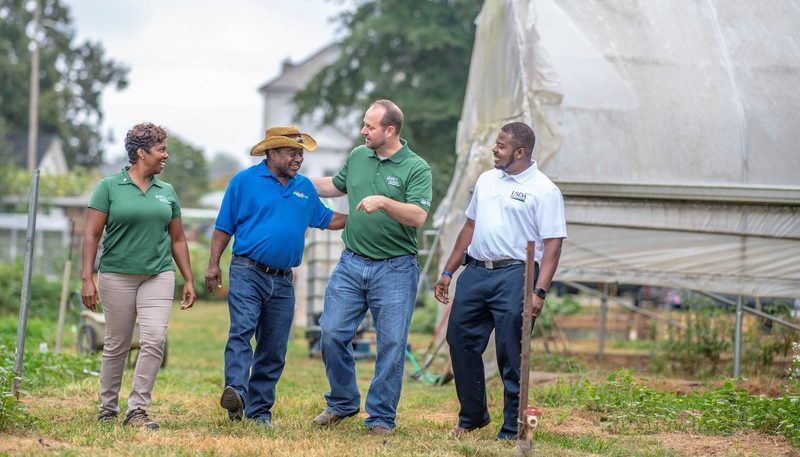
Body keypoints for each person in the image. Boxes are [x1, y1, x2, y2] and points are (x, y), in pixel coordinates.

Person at [205, 126, 347, 426]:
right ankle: (236, 392)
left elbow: (327, 219)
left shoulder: (304, 188)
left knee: (274, 346)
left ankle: (259, 411)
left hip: (283, 279)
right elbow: (223, 226)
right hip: (247, 270)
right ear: (272, 153)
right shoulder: (244, 181)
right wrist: (213, 264)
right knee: (242, 331)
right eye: (292, 152)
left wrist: (363, 216)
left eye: (301, 153)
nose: (298, 158)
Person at [434, 122, 566, 440]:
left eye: (501, 145)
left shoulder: (544, 190)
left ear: (519, 152)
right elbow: (469, 227)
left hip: (517, 275)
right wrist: (449, 271)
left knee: (511, 352)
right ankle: (473, 417)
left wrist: (539, 292)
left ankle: (512, 429)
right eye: (496, 143)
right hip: (476, 272)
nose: (495, 149)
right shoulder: (486, 180)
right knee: (460, 341)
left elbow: (553, 244)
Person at [310, 99, 432, 435]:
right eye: (364, 124)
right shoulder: (358, 156)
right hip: (351, 262)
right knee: (332, 332)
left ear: (389, 130)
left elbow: (418, 217)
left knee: (391, 343)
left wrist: (384, 202)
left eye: (370, 126)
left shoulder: (416, 168)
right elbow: (335, 186)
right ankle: (343, 401)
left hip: (395, 268)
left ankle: (380, 417)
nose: (363, 131)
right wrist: (296, 178)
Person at [81, 122, 196, 430]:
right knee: (117, 344)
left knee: (155, 339)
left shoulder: (167, 191)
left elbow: (178, 238)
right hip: (116, 275)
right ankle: (108, 407)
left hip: (158, 274)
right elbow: (91, 235)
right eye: (161, 150)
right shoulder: (109, 187)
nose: (166, 156)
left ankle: (137, 410)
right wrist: (86, 278)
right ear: (141, 153)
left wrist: (188, 278)